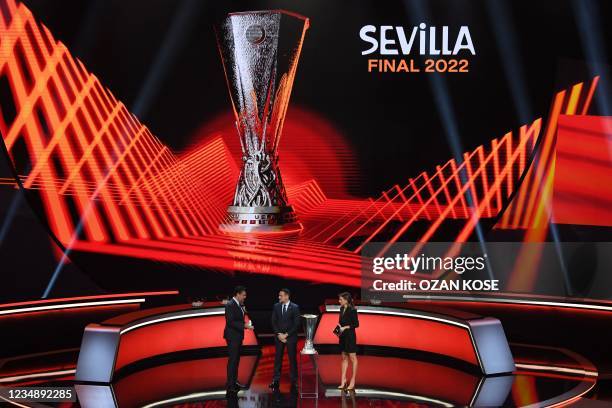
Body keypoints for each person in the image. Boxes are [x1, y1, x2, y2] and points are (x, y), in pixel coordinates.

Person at [224, 285, 254, 392]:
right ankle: (230, 385)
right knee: (233, 360)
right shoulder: (230, 305)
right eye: (243, 295)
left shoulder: (239, 304)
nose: (245, 297)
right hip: (232, 337)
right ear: (237, 294)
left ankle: (234, 381)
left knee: (236, 360)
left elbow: (238, 318)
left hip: (238, 336)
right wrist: (245, 326)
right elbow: (231, 322)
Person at [270, 288, 300, 389]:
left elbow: (296, 324)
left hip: (290, 337)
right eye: (279, 295)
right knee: (278, 359)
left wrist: (286, 335)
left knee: (292, 359)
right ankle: (276, 380)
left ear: (287, 296)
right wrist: (279, 334)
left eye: (281, 295)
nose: (279, 297)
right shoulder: (276, 306)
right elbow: (273, 322)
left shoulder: (295, 307)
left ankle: (294, 380)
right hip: (279, 337)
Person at [337, 292, 359, 391]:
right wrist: (339, 328)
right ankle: (343, 380)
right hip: (342, 336)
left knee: (352, 358)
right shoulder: (341, 309)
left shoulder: (352, 310)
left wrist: (345, 327)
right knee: (344, 357)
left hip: (350, 336)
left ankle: (353, 380)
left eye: (341, 299)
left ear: (346, 300)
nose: (339, 301)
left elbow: (356, 324)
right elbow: (340, 322)